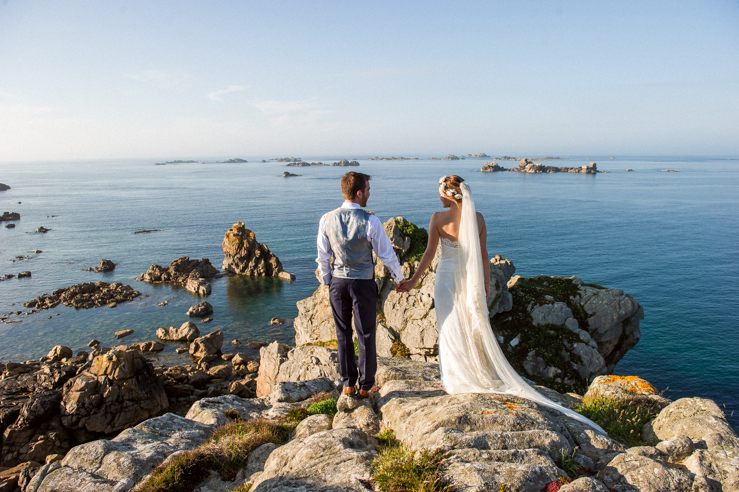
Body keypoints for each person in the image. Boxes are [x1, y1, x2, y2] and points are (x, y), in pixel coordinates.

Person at [397, 175, 604, 432]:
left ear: (449, 194)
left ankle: (452, 378)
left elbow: (429, 254)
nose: (438, 196)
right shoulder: (478, 218)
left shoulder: (437, 219)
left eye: (439, 191)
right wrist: (485, 283)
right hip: (468, 279)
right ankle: (470, 373)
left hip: (446, 278)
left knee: (449, 324)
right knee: (469, 324)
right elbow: (483, 254)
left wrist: (414, 281)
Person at [316, 172, 404, 398]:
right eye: (367, 190)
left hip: (338, 282)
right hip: (363, 282)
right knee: (365, 334)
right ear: (358, 193)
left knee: (342, 333)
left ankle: (348, 383)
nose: (369, 194)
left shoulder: (327, 219)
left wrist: (328, 280)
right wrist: (399, 278)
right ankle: (365, 386)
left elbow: (323, 256)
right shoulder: (370, 220)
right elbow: (387, 254)